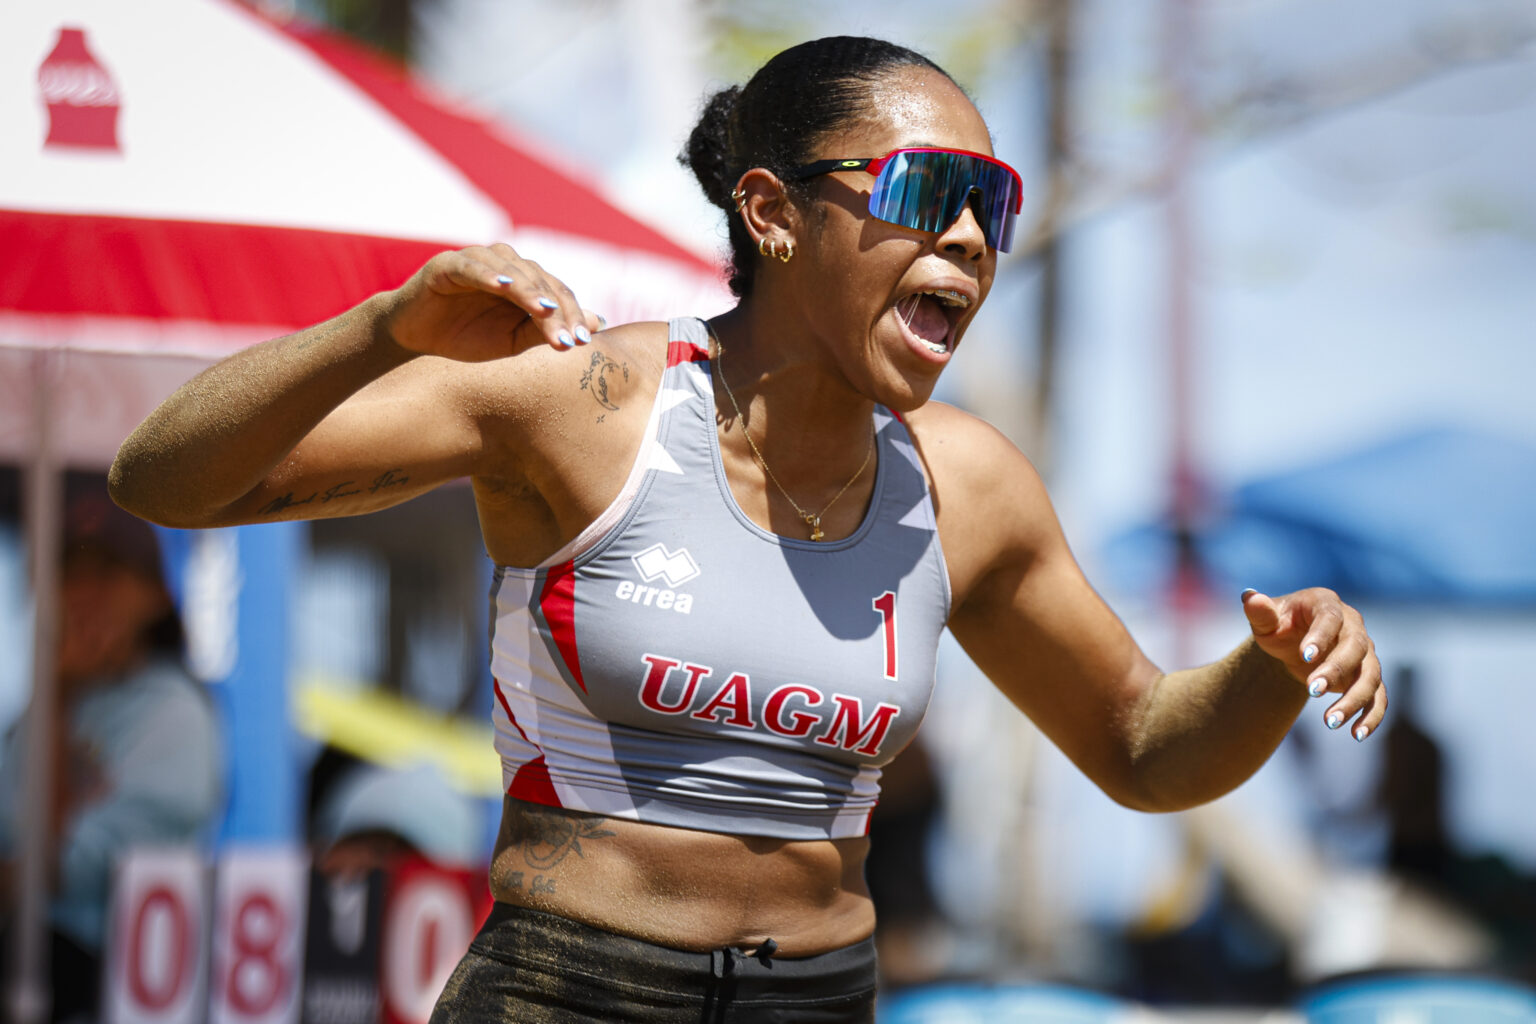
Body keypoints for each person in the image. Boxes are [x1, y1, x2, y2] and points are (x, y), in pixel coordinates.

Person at [108, 35, 1386, 1023]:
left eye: (989, 205)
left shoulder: (967, 486)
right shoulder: (588, 404)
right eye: (927, 188)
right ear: (773, 212)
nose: (965, 237)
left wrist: (1271, 672)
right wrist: (382, 326)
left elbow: (1145, 751)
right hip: (573, 990)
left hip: (820, 998)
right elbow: (163, 478)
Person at [0, 484, 223, 1023]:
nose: (83, 592)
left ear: (154, 597)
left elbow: (65, 874)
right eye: (69, 572)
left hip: (109, 986)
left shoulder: (178, 715)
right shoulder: (37, 709)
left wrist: (57, 694)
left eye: (107, 573)